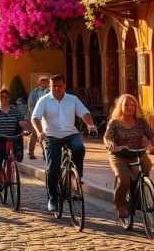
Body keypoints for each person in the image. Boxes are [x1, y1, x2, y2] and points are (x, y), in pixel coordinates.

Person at [32, 74, 97, 212]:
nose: (56, 88)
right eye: (53, 86)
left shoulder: (72, 99)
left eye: (59, 86)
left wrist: (90, 124)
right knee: (52, 168)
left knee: (79, 148)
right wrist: (39, 132)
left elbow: (84, 113)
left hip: (70, 134)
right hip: (51, 136)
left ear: (64, 86)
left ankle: (77, 175)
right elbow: (35, 117)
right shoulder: (44, 100)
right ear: (49, 86)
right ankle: (53, 198)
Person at [104, 93, 154, 223]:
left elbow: (150, 134)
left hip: (137, 153)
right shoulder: (115, 122)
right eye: (126, 105)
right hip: (119, 155)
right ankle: (121, 206)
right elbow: (107, 137)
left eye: (132, 105)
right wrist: (110, 143)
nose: (130, 107)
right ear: (120, 106)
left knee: (147, 166)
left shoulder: (141, 121)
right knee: (124, 180)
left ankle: (140, 193)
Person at [0, 88, 30, 193]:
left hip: (13, 137)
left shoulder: (15, 110)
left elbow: (22, 122)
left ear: (9, 98)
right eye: (1, 97)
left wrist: (26, 130)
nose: (3, 99)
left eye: (5, 97)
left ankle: (10, 175)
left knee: (13, 157)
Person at [27, 76, 50, 159]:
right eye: (42, 80)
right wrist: (34, 116)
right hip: (37, 116)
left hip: (47, 116)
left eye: (46, 81)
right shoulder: (34, 92)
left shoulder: (50, 91)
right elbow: (31, 104)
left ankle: (45, 152)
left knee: (46, 134)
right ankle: (31, 152)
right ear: (39, 82)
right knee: (35, 134)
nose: (44, 82)